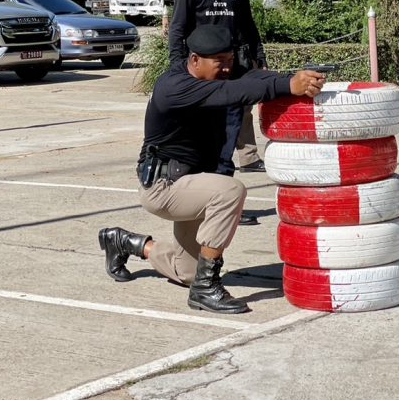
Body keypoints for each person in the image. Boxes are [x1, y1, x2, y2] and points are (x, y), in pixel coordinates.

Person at [98, 26, 325, 314]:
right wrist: (288, 85)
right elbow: (232, 91)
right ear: (195, 60)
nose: (227, 68)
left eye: (230, 60)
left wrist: (295, 79)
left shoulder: (218, 75)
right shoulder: (175, 86)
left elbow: (252, 78)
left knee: (186, 273)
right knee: (230, 191)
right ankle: (205, 288)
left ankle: (126, 242)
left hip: (194, 183)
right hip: (165, 188)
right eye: (220, 62)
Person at [168, 0, 266, 223]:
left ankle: (226, 207)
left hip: (232, 72)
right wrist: (177, 67)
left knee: (228, 138)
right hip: (201, 77)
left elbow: (247, 25)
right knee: (203, 141)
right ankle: (202, 202)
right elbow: (178, 27)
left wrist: (259, 57)